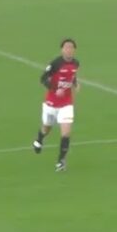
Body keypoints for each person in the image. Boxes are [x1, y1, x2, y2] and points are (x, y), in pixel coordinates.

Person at [32, 38, 79, 172]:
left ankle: (61, 161)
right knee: (47, 127)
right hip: (51, 103)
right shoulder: (56, 63)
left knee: (66, 132)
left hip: (66, 103)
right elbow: (43, 78)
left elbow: (72, 76)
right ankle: (40, 139)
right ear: (62, 50)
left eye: (71, 47)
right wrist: (54, 89)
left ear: (74, 50)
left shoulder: (76, 63)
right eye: (66, 47)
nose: (69, 50)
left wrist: (75, 84)